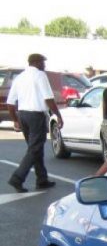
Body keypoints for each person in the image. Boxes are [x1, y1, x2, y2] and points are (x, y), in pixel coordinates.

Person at [6, 53, 62, 192]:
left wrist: (15, 120)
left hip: (23, 115)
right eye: (43, 62)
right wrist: (58, 115)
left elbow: (10, 102)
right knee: (34, 149)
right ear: (36, 62)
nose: (44, 65)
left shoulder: (20, 77)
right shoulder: (40, 75)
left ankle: (42, 179)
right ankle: (17, 178)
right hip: (36, 116)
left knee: (35, 148)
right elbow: (48, 98)